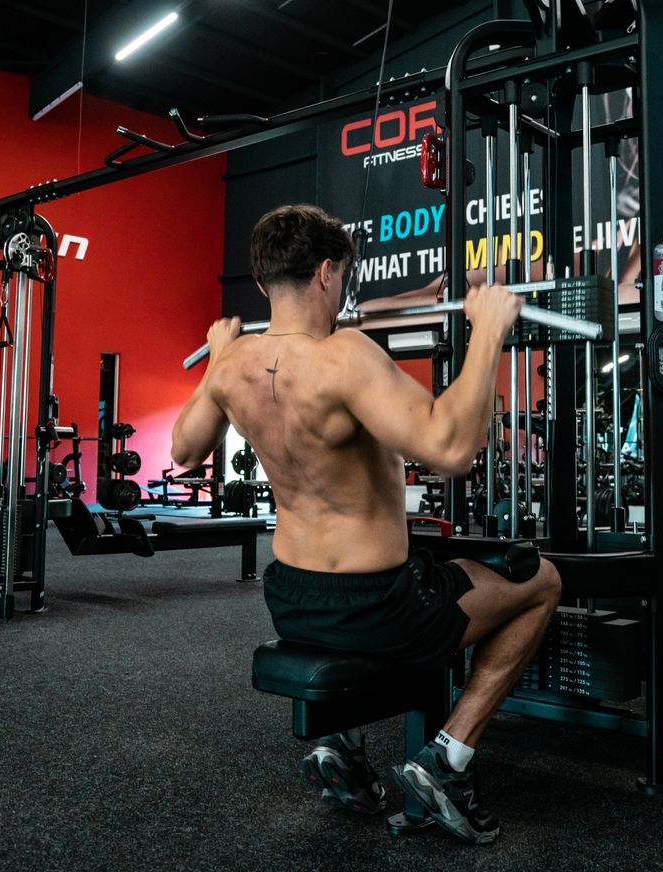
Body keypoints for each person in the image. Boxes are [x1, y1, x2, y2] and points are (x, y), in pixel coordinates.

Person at [171, 204, 562, 845]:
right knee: (540, 581)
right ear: (328, 272)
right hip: (378, 607)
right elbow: (451, 449)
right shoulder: (345, 357)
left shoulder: (233, 365)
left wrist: (217, 358)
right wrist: (488, 331)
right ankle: (449, 763)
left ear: (266, 282)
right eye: (344, 276)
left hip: (291, 598)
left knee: (413, 586)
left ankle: (342, 750)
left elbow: (185, 452)